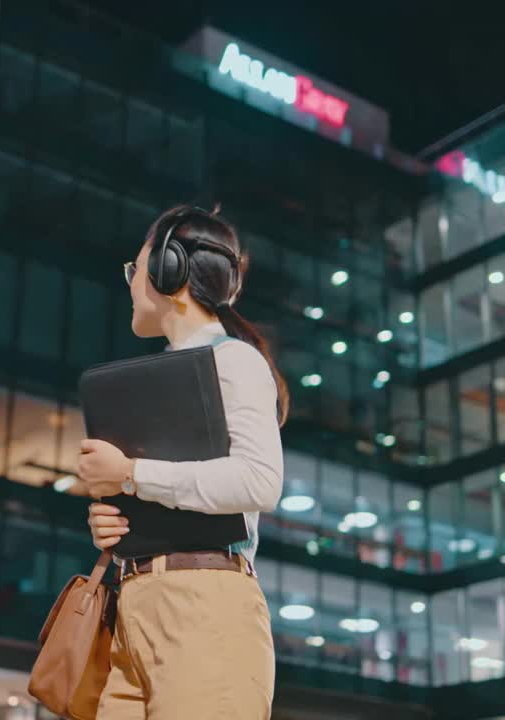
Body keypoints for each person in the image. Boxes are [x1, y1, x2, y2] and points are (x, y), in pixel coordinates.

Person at [77, 204, 289, 720]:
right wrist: (114, 521)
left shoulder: (235, 359)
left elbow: (260, 482)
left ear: (165, 271)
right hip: (134, 606)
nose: (129, 283)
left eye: (135, 269)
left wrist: (130, 474)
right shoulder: (158, 381)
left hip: (207, 608)